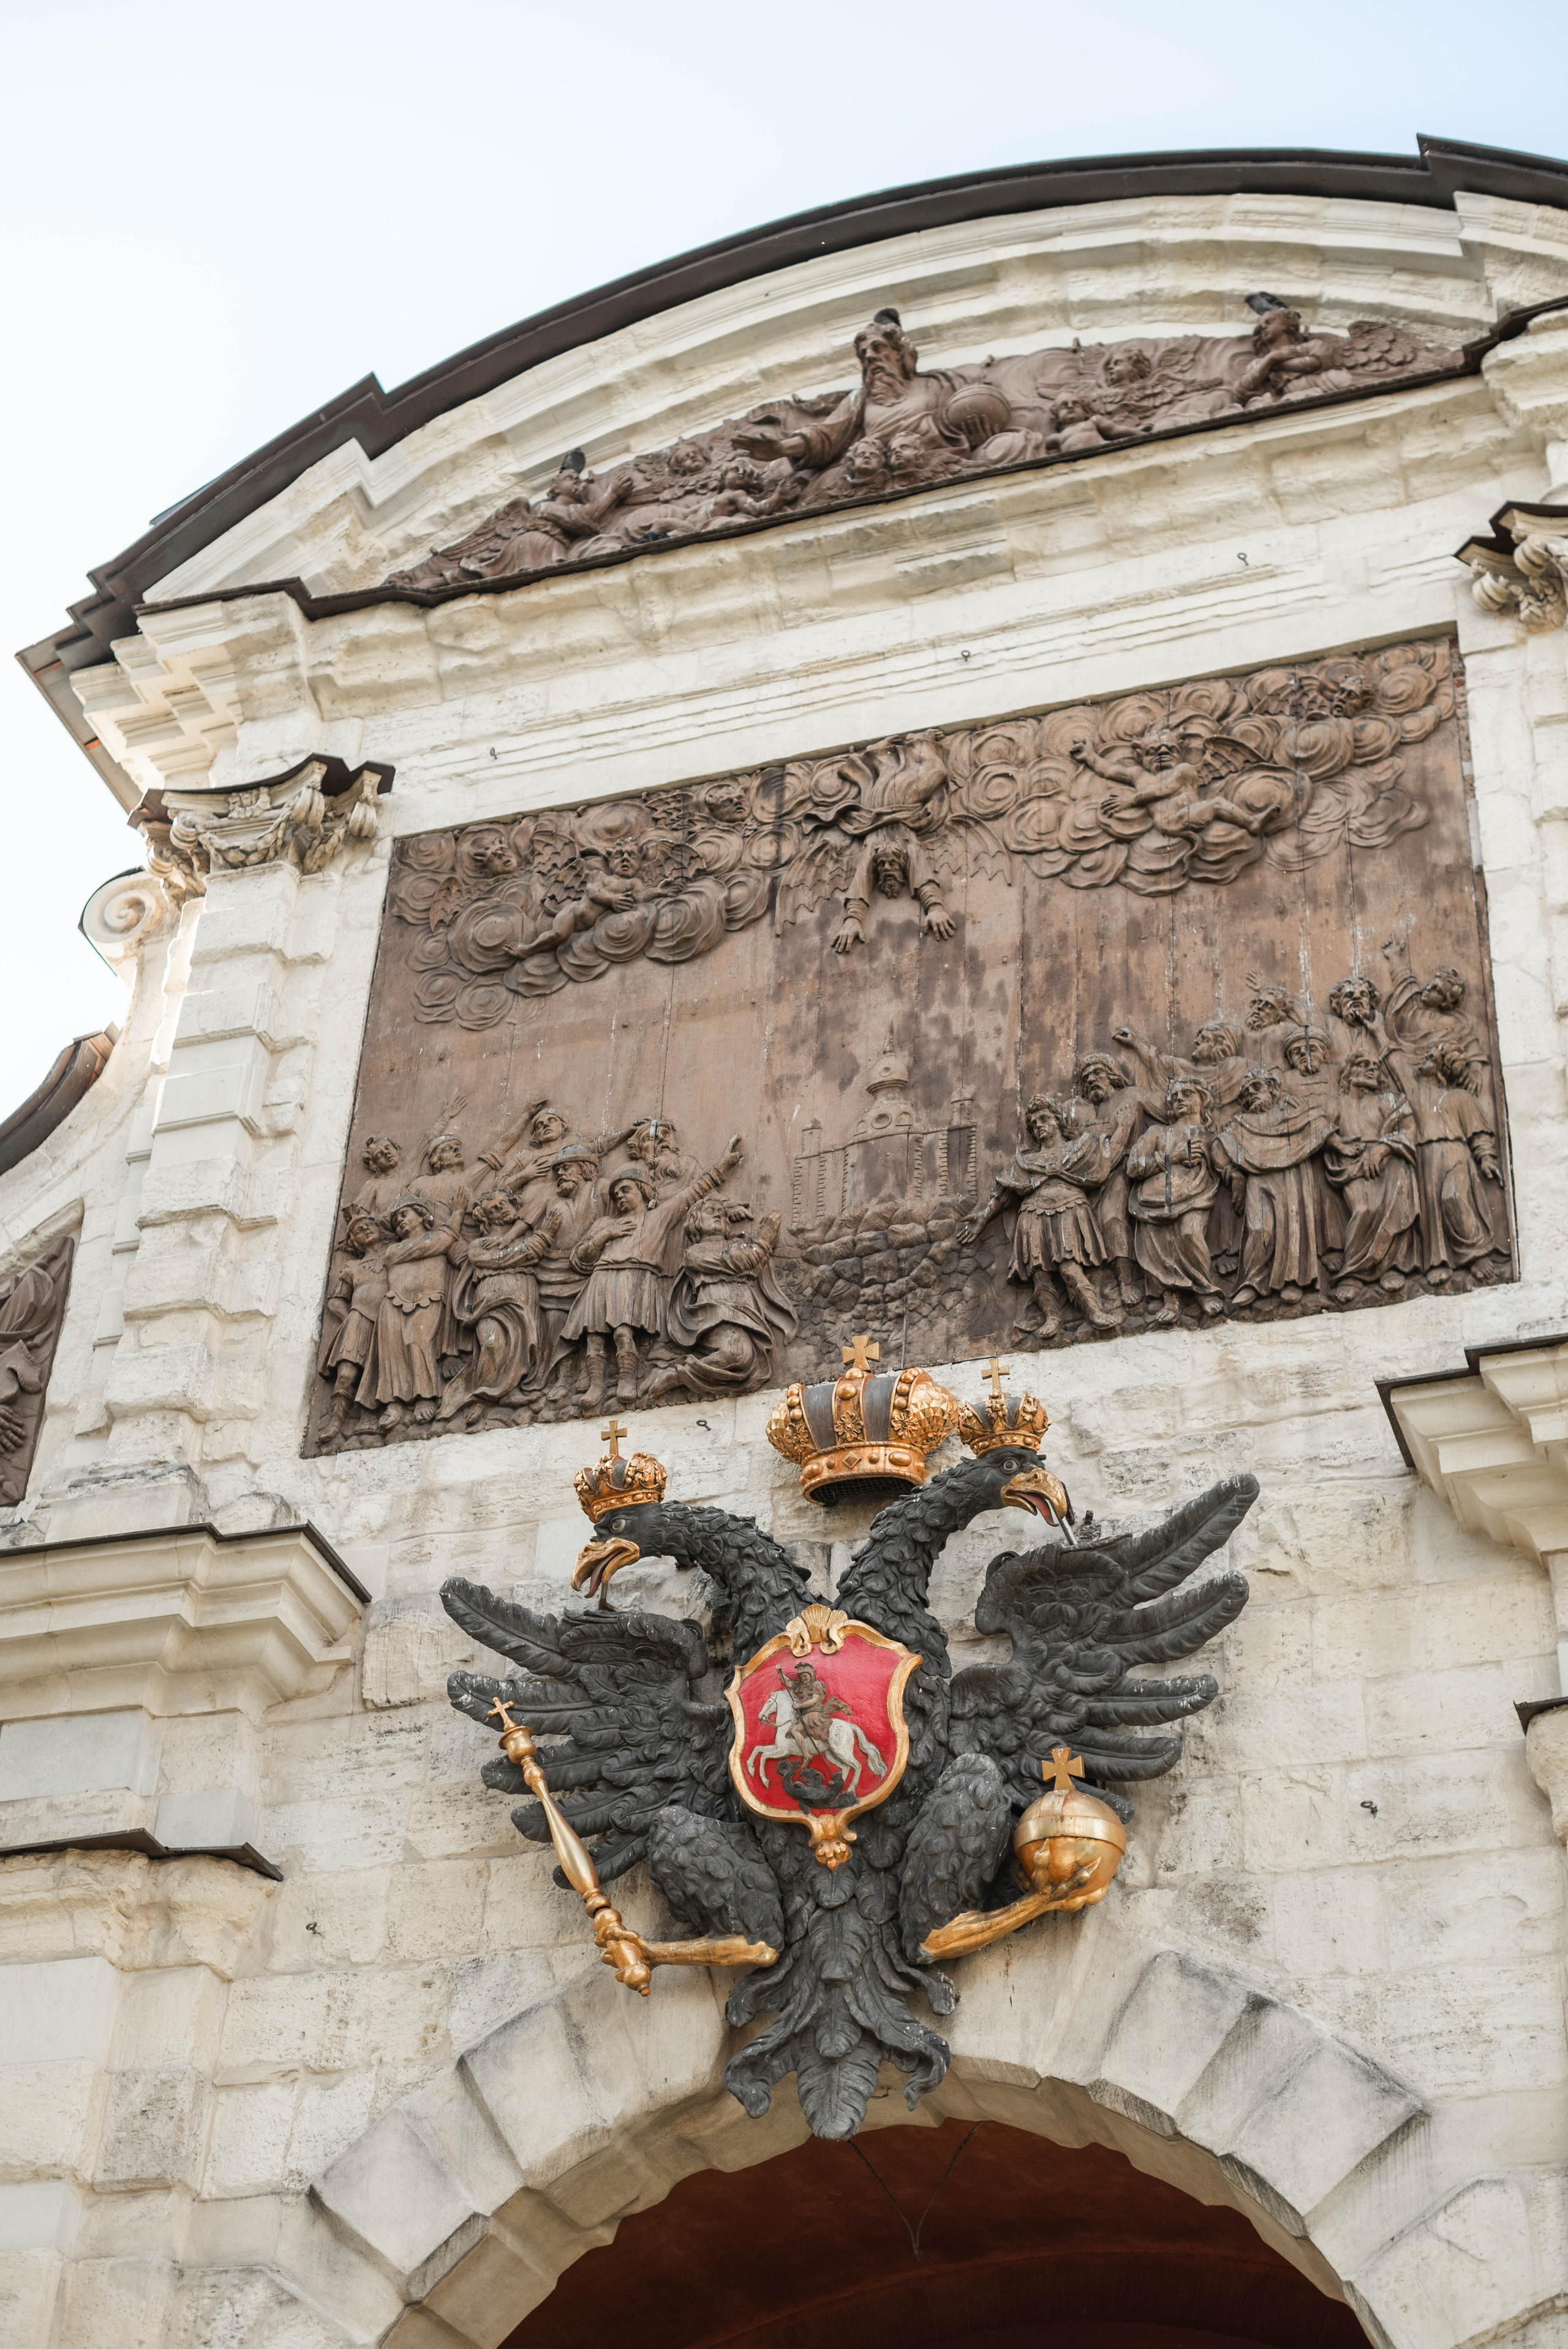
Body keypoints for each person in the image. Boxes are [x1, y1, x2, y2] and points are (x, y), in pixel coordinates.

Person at [564, 1137, 745, 1406]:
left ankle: (626, 1380)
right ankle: (596, 1385)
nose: (620, 1197)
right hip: (601, 1280)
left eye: (626, 1190)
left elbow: (692, 1192)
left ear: (643, 1191)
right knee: (594, 1338)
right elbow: (579, 1259)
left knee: (623, 1333)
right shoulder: (604, 1223)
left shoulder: (657, 1217)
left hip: (633, 1280)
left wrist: (722, 1166)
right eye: (616, 1195)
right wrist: (603, 1237)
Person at [958, 1094, 1124, 1337]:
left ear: (1058, 1121)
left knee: (1069, 1267)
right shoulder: (1027, 1160)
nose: (1039, 1126)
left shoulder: (1078, 1148)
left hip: (1069, 1208)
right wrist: (984, 1216)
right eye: (1034, 1123)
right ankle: (1052, 1317)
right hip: (1033, 1214)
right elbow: (1005, 1191)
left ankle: (1094, 1311)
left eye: (1044, 1119)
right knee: (1039, 1273)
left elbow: (1100, 1170)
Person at [646, 1200, 797, 1399]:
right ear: (696, 1222)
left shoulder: (737, 1244)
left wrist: (757, 1247)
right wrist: (764, 1241)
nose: (718, 1215)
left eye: (721, 1213)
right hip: (716, 1312)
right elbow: (739, 1263)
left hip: (743, 1312)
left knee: (745, 1360)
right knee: (738, 1355)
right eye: (710, 1212)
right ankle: (674, 1376)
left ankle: (676, 1375)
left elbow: (748, 1261)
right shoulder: (696, 1253)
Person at [1213, 1069, 1335, 1309]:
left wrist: (1339, 1144)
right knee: (1259, 1228)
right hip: (1257, 1177)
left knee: (1294, 1225)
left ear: (1273, 1088)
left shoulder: (1291, 1110)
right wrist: (1233, 1174)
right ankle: (1253, 1282)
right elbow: (1218, 1146)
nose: (1251, 1096)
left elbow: (1320, 1124)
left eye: (1256, 1088)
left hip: (1292, 1174)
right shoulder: (1242, 1122)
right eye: (1246, 1094)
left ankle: (1294, 1280)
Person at [1125, 1077, 1227, 1325]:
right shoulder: (1157, 1133)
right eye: (1175, 1096)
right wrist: (1172, 1157)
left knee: (1189, 1234)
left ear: (1203, 1101)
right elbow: (1134, 1167)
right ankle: (1171, 1298)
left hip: (1197, 1195)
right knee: (1158, 1243)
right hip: (1155, 1199)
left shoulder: (1211, 1136)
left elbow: (1225, 1166)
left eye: (1187, 1093)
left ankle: (1204, 1290)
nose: (1180, 1098)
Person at [436, 1192, 545, 1424]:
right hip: (490, 1298)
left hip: (523, 1290)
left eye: (503, 1204)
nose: (501, 1209)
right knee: (492, 1343)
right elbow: (502, 1259)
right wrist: (529, 1249)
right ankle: (482, 1396)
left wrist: (529, 1247)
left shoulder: (525, 1236)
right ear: (485, 1218)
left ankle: (510, 1391)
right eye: (494, 1209)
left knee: (521, 1344)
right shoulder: (478, 1245)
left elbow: (533, 1249)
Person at [1321, 1054, 1420, 1300]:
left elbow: (1408, 1128)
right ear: (1349, 1073)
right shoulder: (1337, 1104)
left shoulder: (1389, 1100)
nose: (1371, 1070)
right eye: (1364, 1065)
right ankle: (1353, 1272)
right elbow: (1321, 1131)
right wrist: (1341, 1146)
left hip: (1387, 1158)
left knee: (1396, 1203)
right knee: (1364, 1209)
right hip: (1352, 1163)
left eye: (1375, 1067)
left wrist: (1383, 1149)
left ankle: (1391, 1266)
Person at [363, 1198, 462, 1430]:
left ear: (422, 1215)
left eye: (404, 1215)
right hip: (394, 1301)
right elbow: (439, 1241)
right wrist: (457, 1214)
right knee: (393, 1351)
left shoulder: (439, 1239)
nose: (400, 1222)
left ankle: (425, 1396)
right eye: (396, 1222)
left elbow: (447, 1244)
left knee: (417, 1341)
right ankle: (395, 1402)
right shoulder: (394, 1250)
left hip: (429, 1299)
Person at [317, 1208, 389, 1440]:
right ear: (354, 1242)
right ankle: (336, 1421)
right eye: (359, 1231)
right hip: (357, 1319)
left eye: (369, 1226)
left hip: (387, 1318)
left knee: (379, 1368)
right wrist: (349, 1317)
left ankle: (371, 1415)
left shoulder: (394, 1254)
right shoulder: (352, 1267)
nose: (365, 1230)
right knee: (347, 1373)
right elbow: (336, 1300)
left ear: (380, 1229)